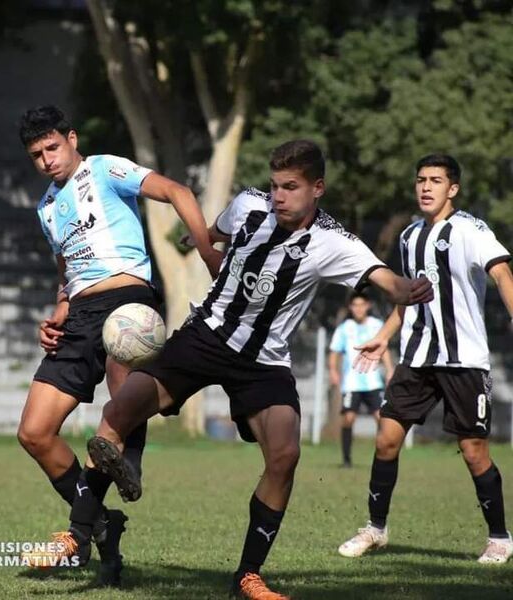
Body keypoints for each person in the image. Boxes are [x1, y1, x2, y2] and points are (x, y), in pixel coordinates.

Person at [34, 139, 433, 599]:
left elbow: (386, 279)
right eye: (275, 185)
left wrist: (407, 288)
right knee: (118, 414)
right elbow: (218, 229)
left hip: (264, 362)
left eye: (291, 187)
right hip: (204, 337)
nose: (279, 196)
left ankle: (248, 576)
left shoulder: (333, 242)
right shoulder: (249, 205)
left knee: (284, 456)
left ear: (317, 188)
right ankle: (78, 532)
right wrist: (200, 240)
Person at [15, 105, 220, 583]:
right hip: (79, 316)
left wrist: (207, 250)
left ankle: (83, 525)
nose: (46, 159)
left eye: (52, 147)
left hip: (129, 302)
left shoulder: (104, 169)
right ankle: (103, 523)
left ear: (71, 138)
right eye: (36, 154)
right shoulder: (46, 208)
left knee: (121, 396)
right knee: (34, 432)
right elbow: (67, 269)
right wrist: (59, 307)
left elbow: (177, 191)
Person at [338, 154, 513, 565]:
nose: (426, 187)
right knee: (385, 440)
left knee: (474, 452)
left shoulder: (470, 230)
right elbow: (408, 298)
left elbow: (502, 273)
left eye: (436, 180)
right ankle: (375, 530)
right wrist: (382, 338)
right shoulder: (409, 236)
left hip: (464, 360)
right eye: (421, 180)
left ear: (453, 189)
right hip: (417, 356)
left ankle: (500, 538)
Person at [328, 291, 394, 467]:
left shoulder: (377, 325)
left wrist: (389, 370)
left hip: (373, 381)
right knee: (348, 418)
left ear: (367, 306)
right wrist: (333, 371)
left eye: (361, 304)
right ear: (351, 307)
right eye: (355, 305)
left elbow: (384, 349)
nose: (358, 308)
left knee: (381, 418)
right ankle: (347, 460)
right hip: (351, 383)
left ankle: (383, 457)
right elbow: (334, 351)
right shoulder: (344, 328)